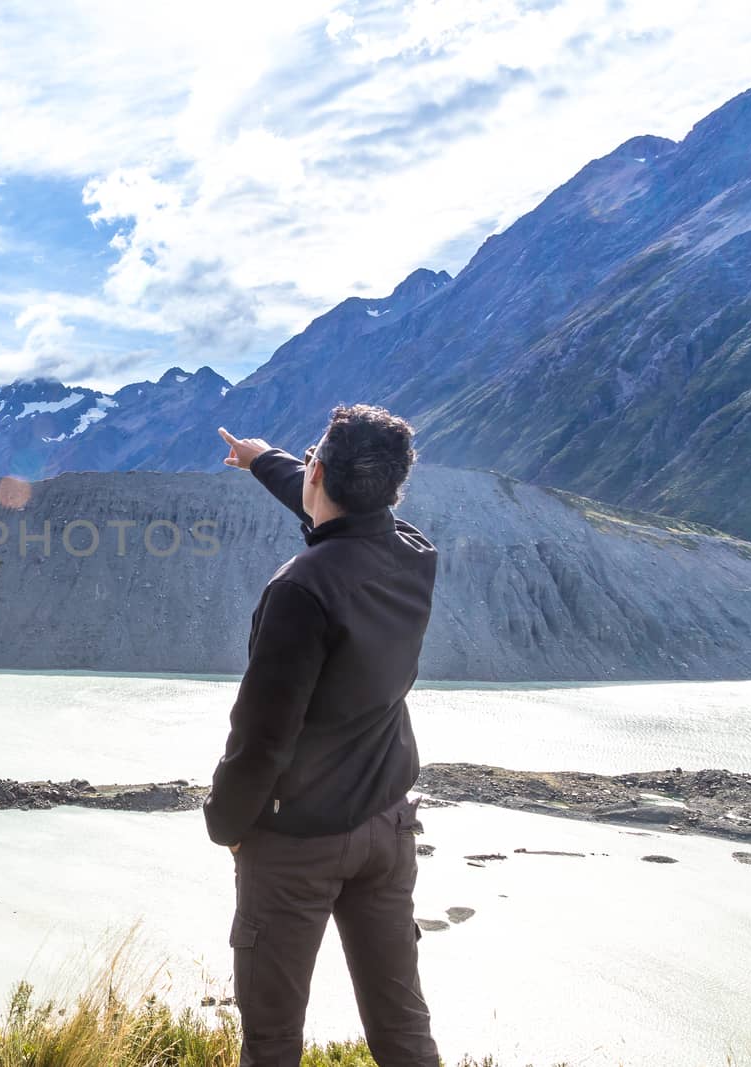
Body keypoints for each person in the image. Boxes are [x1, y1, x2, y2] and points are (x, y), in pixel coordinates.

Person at [207, 404, 440, 1067]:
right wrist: (262, 459)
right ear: (393, 488)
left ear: (318, 472)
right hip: (386, 828)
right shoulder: (414, 554)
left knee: (273, 1043)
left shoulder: (300, 589)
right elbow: (343, 517)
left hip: (296, 845)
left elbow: (261, 737)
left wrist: (227, 824)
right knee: (403, 1028)